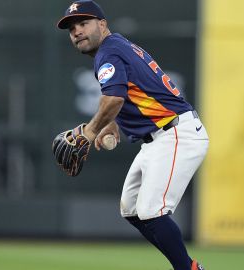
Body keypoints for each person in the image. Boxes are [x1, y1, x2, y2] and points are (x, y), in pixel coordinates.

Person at [57, 1, 209, 269]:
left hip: (176, 134)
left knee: (152, 211)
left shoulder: (108, 52)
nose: (77, 31)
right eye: (72, 28)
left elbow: (114, 98)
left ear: (102, 24)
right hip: (158, 138)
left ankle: (188, 268)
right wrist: (113, 123)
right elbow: (130, 93)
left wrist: (90, 132)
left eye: (84, 23)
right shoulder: (116, 46)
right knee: (131, 209)